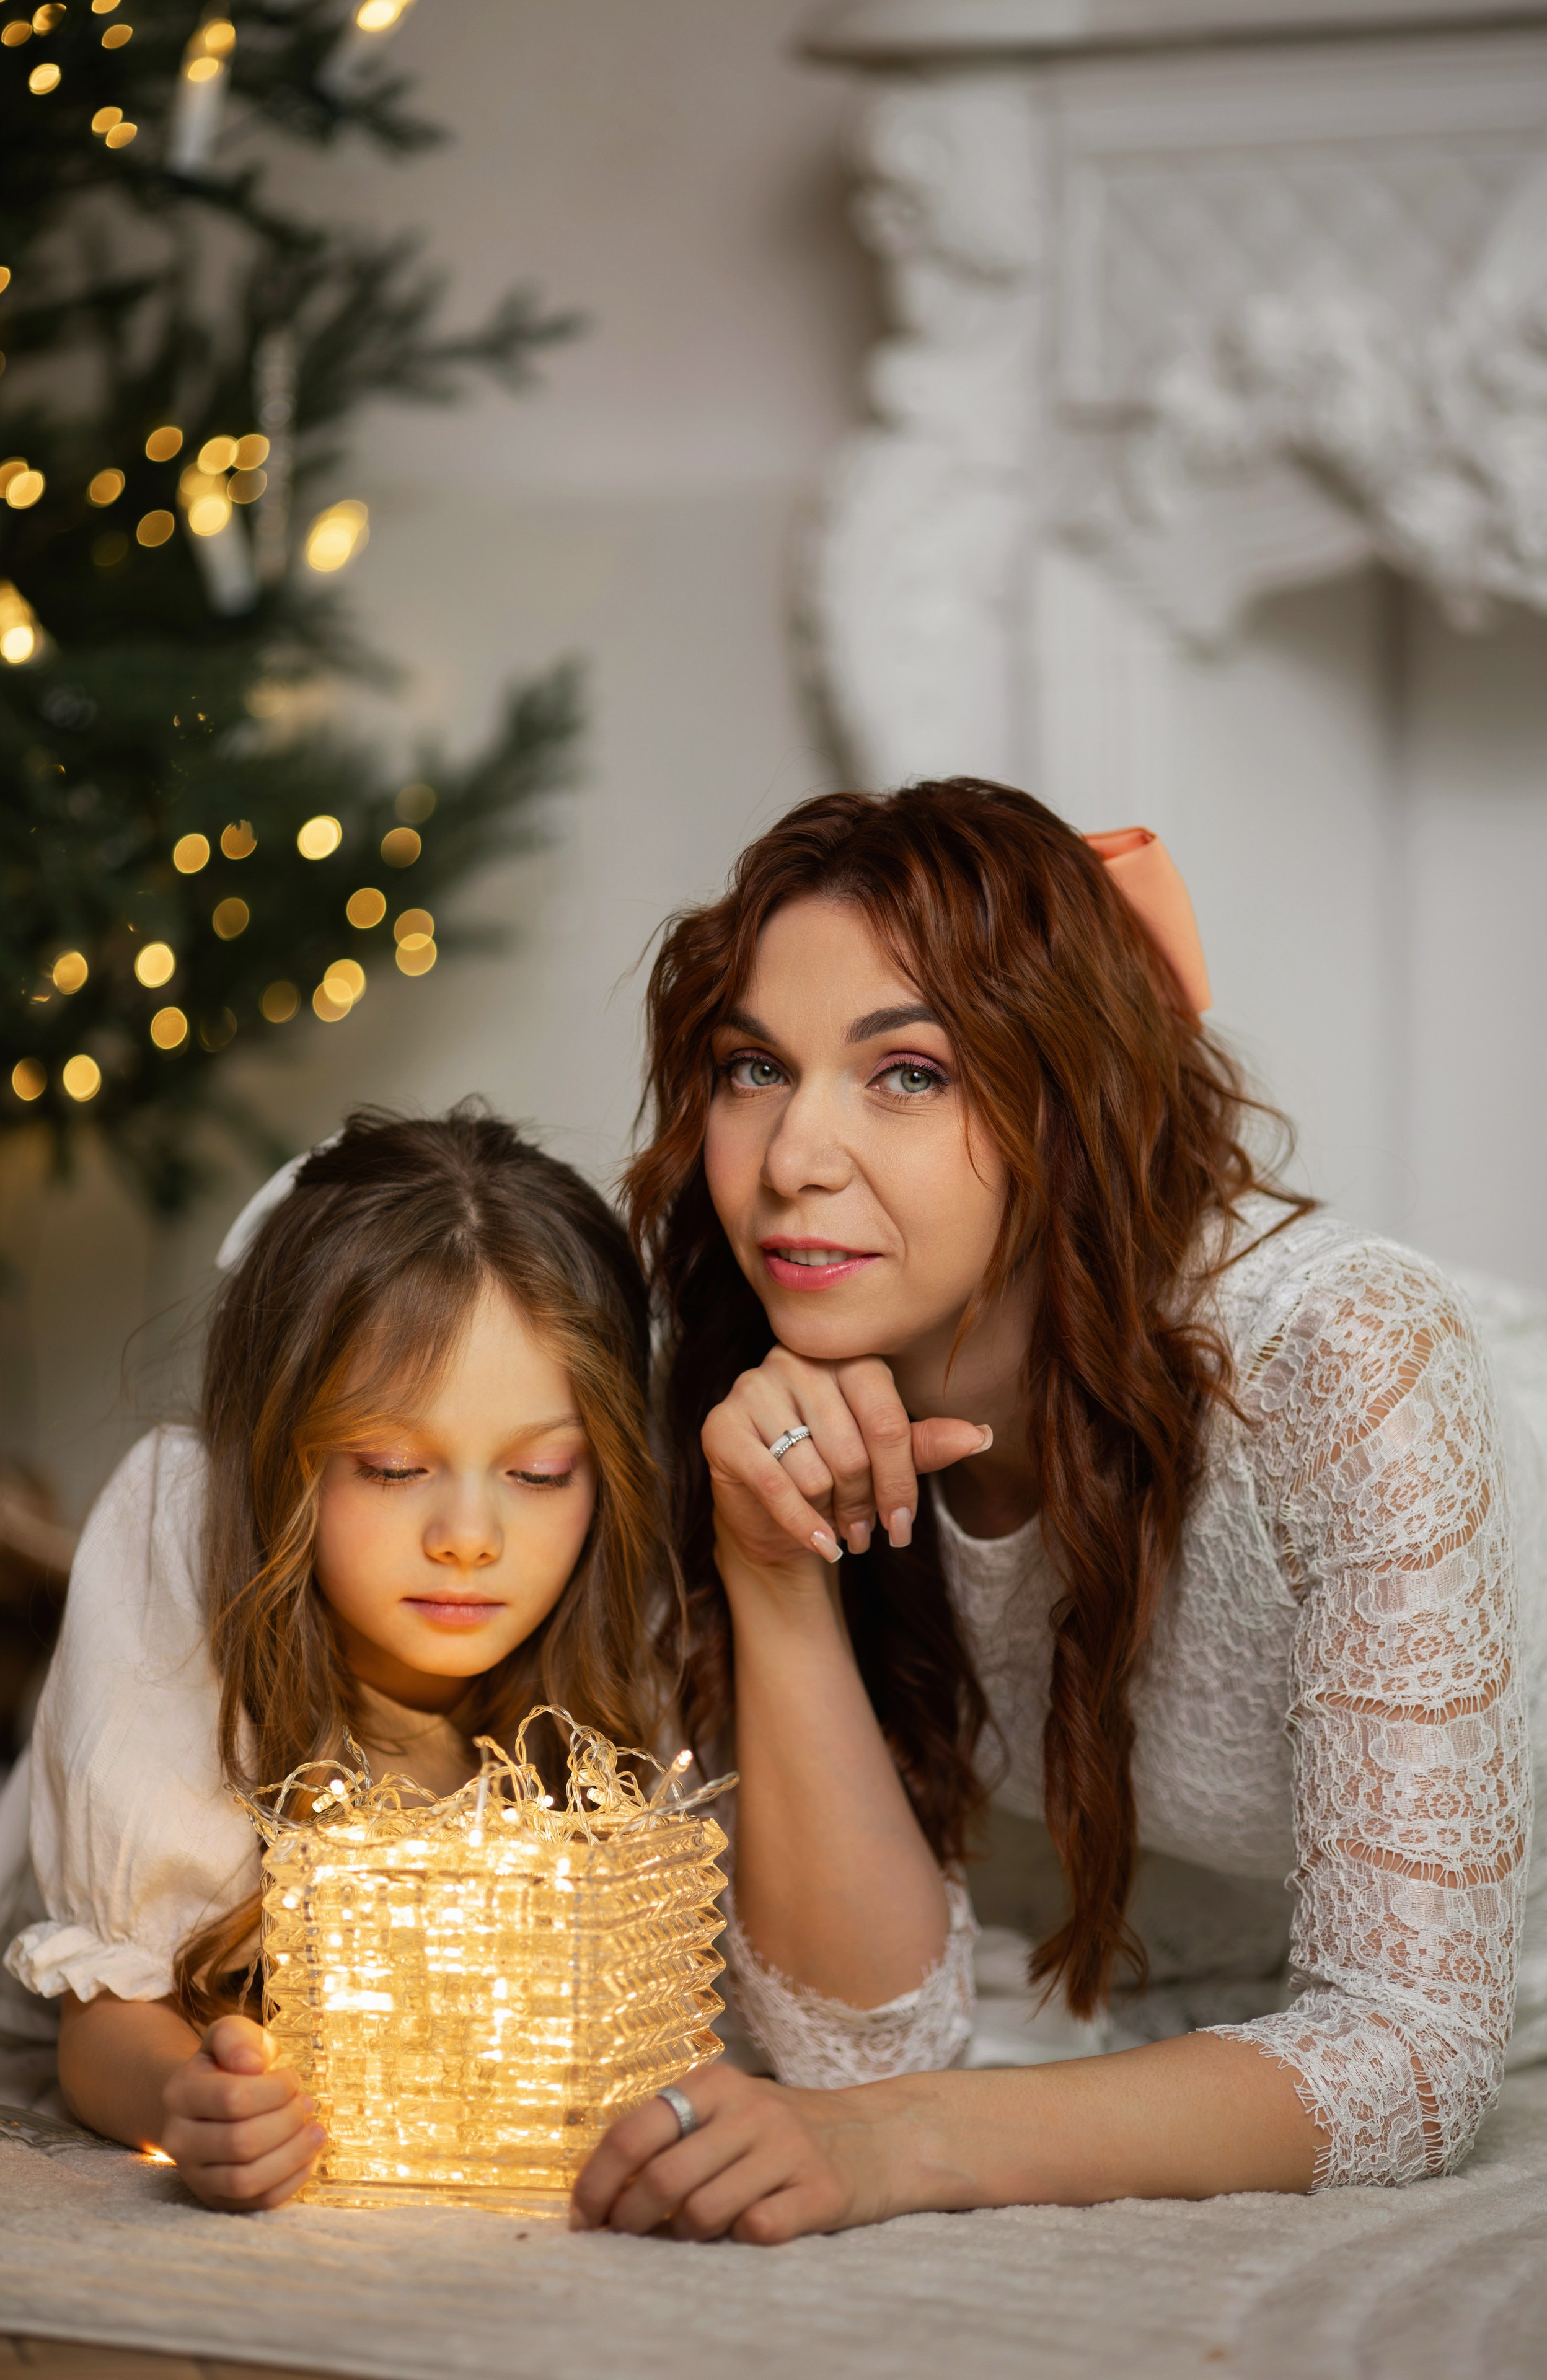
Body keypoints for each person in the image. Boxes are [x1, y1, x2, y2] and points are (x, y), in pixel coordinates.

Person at [571, 777, 1547, 2244]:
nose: (790, 1162)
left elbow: (1409, 2057)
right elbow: (853, 2053)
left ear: (1068, 1098)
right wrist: (767, 1571)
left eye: (908, 1073)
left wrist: (890, 2147)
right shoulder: (749, 1382)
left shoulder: (1342, 1364)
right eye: (750, 1068)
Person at [0, 1106, 674, 2210]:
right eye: (391, 1466)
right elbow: (104, 2029)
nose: (470, 1536)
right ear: (275, 1456)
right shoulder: (183, 1534)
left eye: (540, 1473)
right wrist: (184, 2104)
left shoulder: (619, 1593)